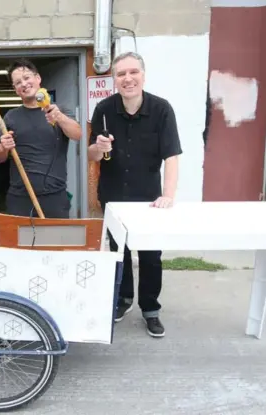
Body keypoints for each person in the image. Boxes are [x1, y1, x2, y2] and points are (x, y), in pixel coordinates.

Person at [88, 51, 182, 338]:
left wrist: (168, 195)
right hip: (113, 197)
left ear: (143, 75)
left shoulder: (162, 109)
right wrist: (99, 148)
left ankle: (150, 309)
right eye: (121, 74)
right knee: (120, 253)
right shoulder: (103, 109)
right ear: (115, 79)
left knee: (152, 256)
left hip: (149, 199)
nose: (127, 78)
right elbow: (91, 154)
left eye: (133, 72)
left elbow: (173, 156)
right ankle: (124, 299)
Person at [0, 58, 82, 218]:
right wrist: (4, 147)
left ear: (38, 78)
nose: (24, 84)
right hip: (20, 197)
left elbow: (77, 134)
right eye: (18, 82)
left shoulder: (58, 110)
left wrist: (59, 118)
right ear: (15, 89)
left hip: (54, 196)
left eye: (27, 78)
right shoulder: (11, 117)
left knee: (55, 242)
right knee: (19, 243)